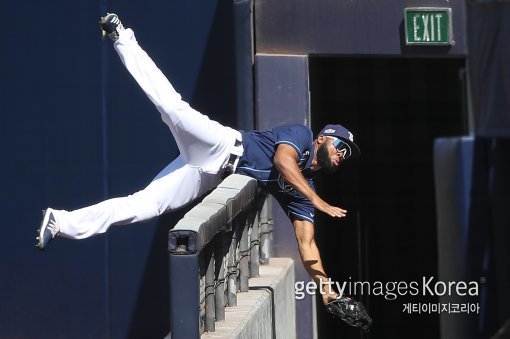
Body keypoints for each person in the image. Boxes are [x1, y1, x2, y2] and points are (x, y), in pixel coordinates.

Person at [36, 13, 360, 306]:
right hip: (221, 145)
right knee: (171, 106)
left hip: (209, 174)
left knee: (145, 206)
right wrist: (316, 199)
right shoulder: (302, 137)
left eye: (345, 153)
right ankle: (122, 35)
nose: (341, 154)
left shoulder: (303, 190)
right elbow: (283, 162)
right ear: (322, 137)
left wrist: (327, 291)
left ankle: (60, 222)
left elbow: (307, 243)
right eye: (339, 146)